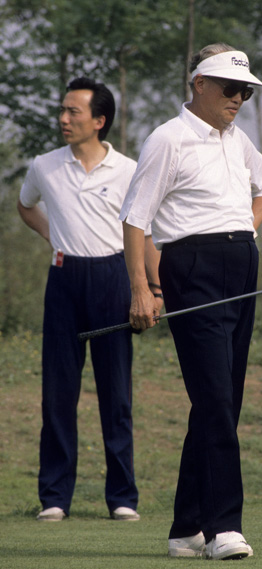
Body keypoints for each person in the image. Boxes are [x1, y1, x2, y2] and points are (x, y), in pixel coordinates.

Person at [120, 42, 262, 560]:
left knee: (221, 400)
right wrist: (143, 289)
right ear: (200, 85)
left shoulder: (237, 139)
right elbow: (136, 220)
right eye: (230, 89)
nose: (238, 99)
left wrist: (242, 231)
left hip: (240, 265)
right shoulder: (168, 139)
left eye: (246, 92)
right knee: (214, 400)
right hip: (191, 269)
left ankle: (185, 527)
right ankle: (223, 527)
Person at [18, 77, 162, 522]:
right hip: (63, 280)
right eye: (62, 111)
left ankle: (122, 497)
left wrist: (155, 289)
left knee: (116, 394)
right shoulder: (44, 165)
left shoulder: (128, 169)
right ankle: (55, 497)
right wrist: (52, 237)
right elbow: (26, 206)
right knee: (57, 394)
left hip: (112, 278)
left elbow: (146, 232)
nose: (63, 119)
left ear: (99, 121)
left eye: (73, 112)